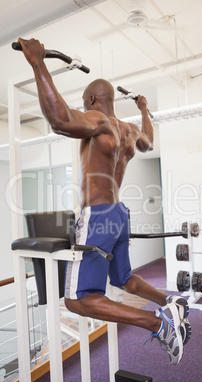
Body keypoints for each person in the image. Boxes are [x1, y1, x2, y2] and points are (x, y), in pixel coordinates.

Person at [18, 38, 191, 365]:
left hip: (97, 215)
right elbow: (148, 142)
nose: (84, 107)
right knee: (123, 280)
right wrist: (142, 109)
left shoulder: (96, 121)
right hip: (119, 214)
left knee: (78, 300)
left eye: (85, 101)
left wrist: (38, 62)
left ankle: (159, 323)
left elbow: (59, 120)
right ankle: (172, 302)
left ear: (94, 99)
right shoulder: (128, 129)